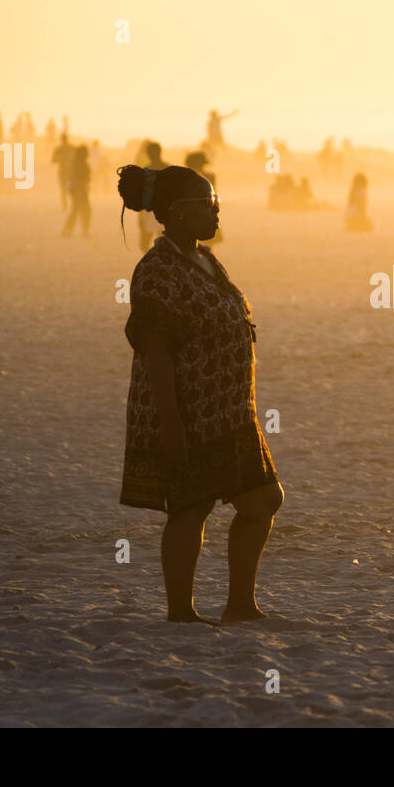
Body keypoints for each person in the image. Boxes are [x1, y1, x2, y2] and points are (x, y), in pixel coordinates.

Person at [116, 164, 283, 623]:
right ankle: (181, 612)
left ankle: (240, 604)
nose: (216, 212)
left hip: (229, 414)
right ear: (175, 212)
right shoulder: (156, 270)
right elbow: (157, 354)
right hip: (189, 413)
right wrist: (172, 424)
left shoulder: (205, 257)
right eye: (207, 205)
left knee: (264, 499)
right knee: (191, 508)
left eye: (218, 204)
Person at [137, 141, 169, 250]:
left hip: (150, 210)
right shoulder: (167, 168)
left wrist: (140, 215)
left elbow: (143, 194)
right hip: (164, 209)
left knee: (144, 243)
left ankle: (154, 262)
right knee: (163, 242)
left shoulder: (146, 170)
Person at [61, 145, 92, 237]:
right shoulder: (79, 164)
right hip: (79, 190)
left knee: (77, 210)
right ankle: (82, 232)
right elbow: (79, 178)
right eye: (86, 152)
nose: (87, 154)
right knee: (84, 210)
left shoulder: (77, 163)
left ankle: (68, 231)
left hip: (78, 190)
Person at [51, 134, 72, 212]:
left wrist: (60, 159)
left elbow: (53, 160)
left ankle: (65, 206)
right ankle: (70, 205)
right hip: (70, 172)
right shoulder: (71, 148)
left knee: (63, 189)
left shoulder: (58, 149)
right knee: (69, 188)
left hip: (63, 172)